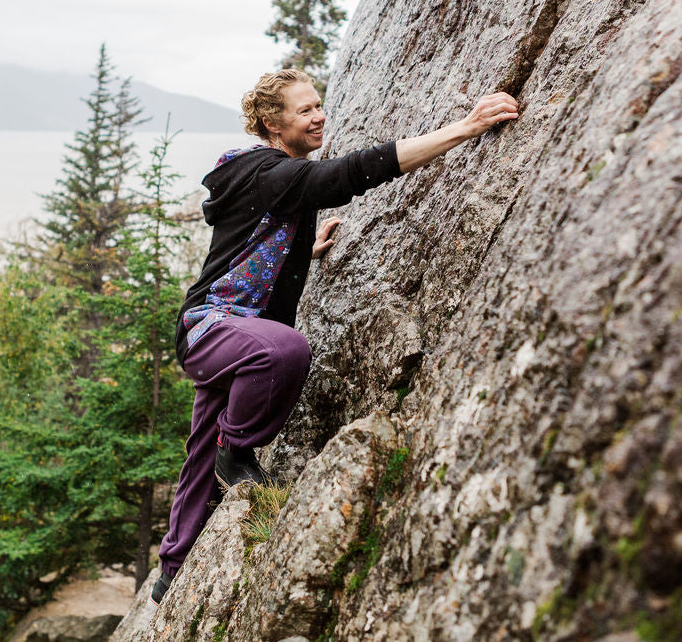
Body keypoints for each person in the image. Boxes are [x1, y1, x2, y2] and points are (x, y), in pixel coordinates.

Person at [151, 69, 518, 603]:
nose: (319, 115)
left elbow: (249, 240)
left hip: (230, 329)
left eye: (319, 105)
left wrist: (304, 247)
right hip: (209, 328)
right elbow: (352, 173)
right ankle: (238, 448)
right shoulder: (268, 172)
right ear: (273, 124)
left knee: (198, 453)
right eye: (305, 110)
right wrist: (463, 128)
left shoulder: (273, 178)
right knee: (285, 349)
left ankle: (171, 571)